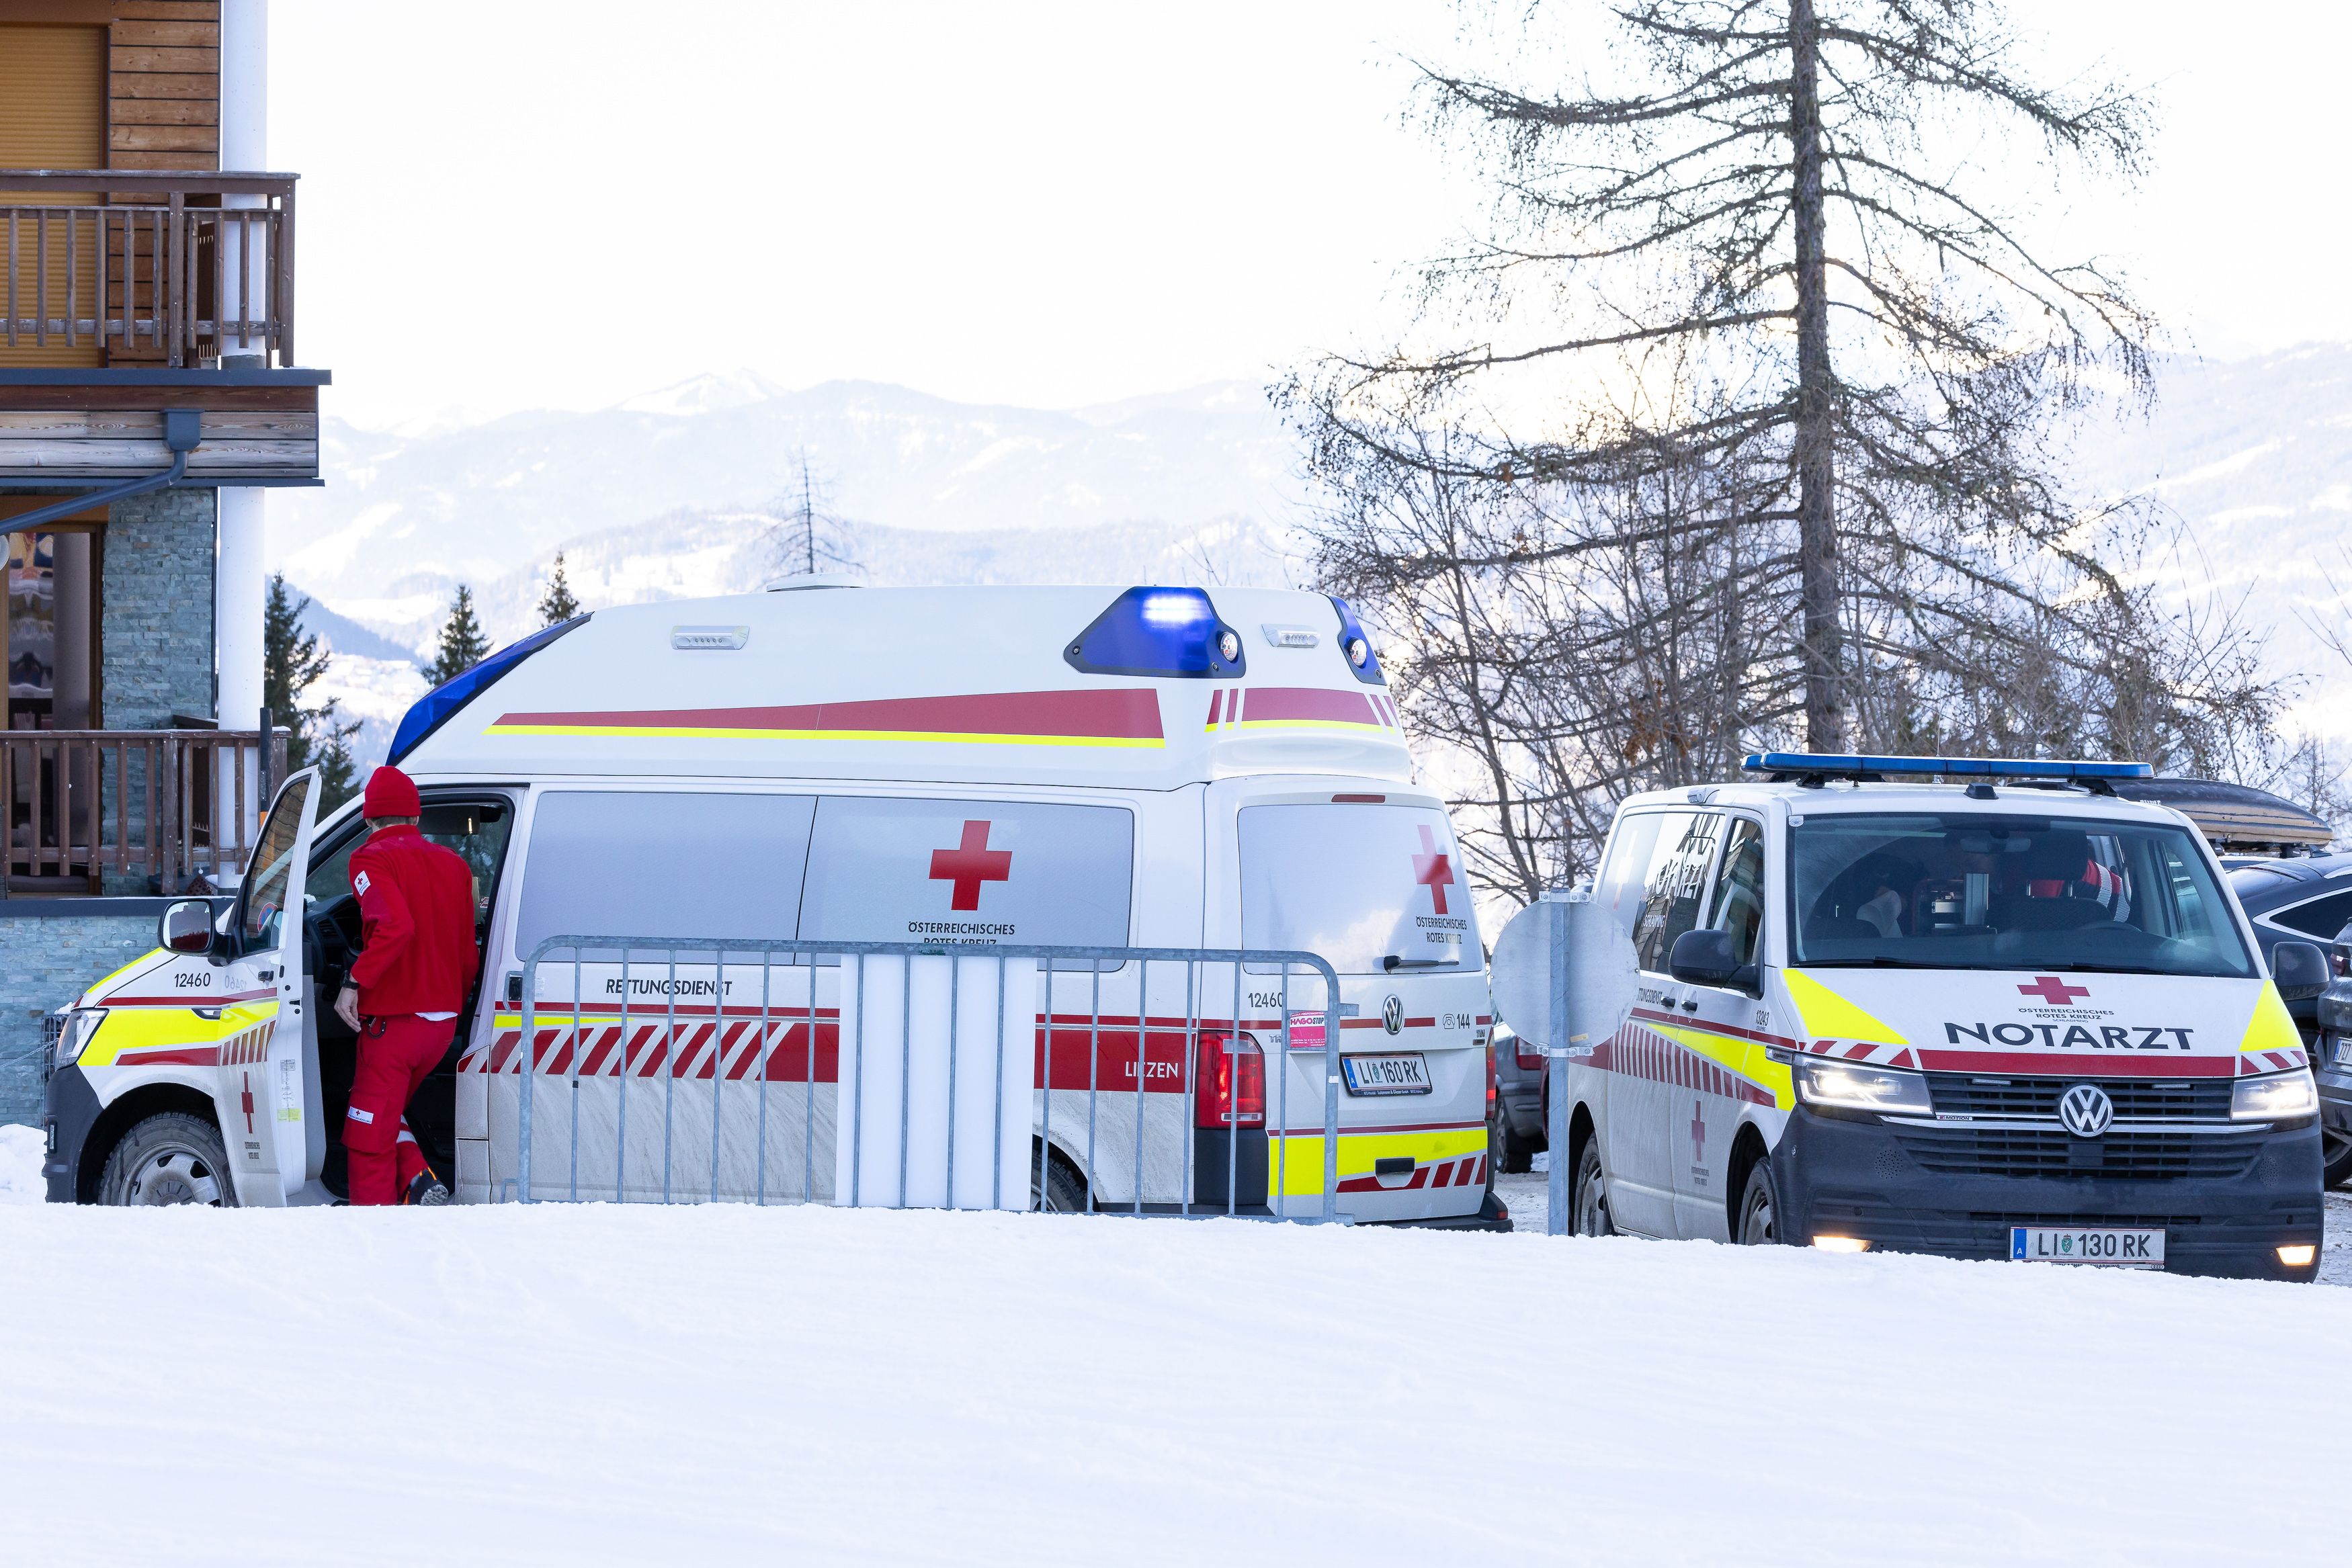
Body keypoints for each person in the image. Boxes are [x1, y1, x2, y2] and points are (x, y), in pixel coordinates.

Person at [333, 765, 478, 1205]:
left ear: (367, 820)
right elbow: (467, 954)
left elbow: (395, 926)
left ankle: (375, 1234)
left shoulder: (369, 860)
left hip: (392, 1029)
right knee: (384, 1113)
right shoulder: (455, 867)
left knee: (366, 1139)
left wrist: (354, 980)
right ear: (416, 818)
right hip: (440, 1028)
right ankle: (417, 1177)